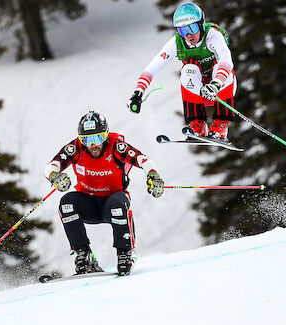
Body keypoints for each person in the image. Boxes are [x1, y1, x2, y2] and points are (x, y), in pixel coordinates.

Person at [44, 111, 164, 276]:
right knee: (66, 203)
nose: (93, 145)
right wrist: (55, 176)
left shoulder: (116, 146)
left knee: (117, 203)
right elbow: (51, 166)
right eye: (86, 140)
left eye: (98, 138)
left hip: (112, 202)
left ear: (106, 136)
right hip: (88, 204)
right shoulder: (75, 149)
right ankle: (84, 255)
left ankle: (125, 253)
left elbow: (143, 160)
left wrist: (153, 175)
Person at [128, 2, 237, 141]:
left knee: (221, 68)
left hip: (221, 87)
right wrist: (138, 92)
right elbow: (152, 67)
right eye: (182, 30)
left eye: (192, 28)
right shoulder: (177, 42)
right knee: (188, 69)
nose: (188, 35)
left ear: (201, 24)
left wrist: (216, 84)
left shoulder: (212, 35)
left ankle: (220, 126)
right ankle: (198, 125)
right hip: (198, 90)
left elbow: (226, 60)